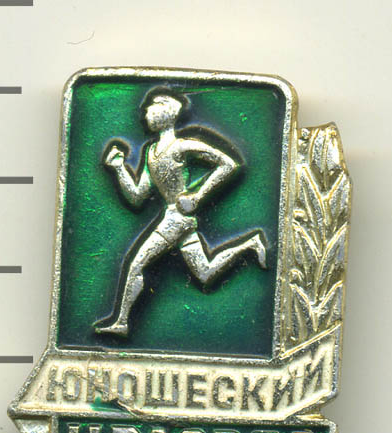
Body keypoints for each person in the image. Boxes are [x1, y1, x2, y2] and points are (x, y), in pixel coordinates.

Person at [95, 89, 267, 336]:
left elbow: (229, 164)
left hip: (177, 219)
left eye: (151, 108)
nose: (145, 113)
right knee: (205, 272)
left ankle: (122, 323)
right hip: (174, 217)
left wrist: (197, 196)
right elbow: (137, 196)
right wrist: (119, 168)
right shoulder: (151, 152)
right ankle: (250, 244)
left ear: (166, 115)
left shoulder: (182, 146)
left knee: (136, 265)